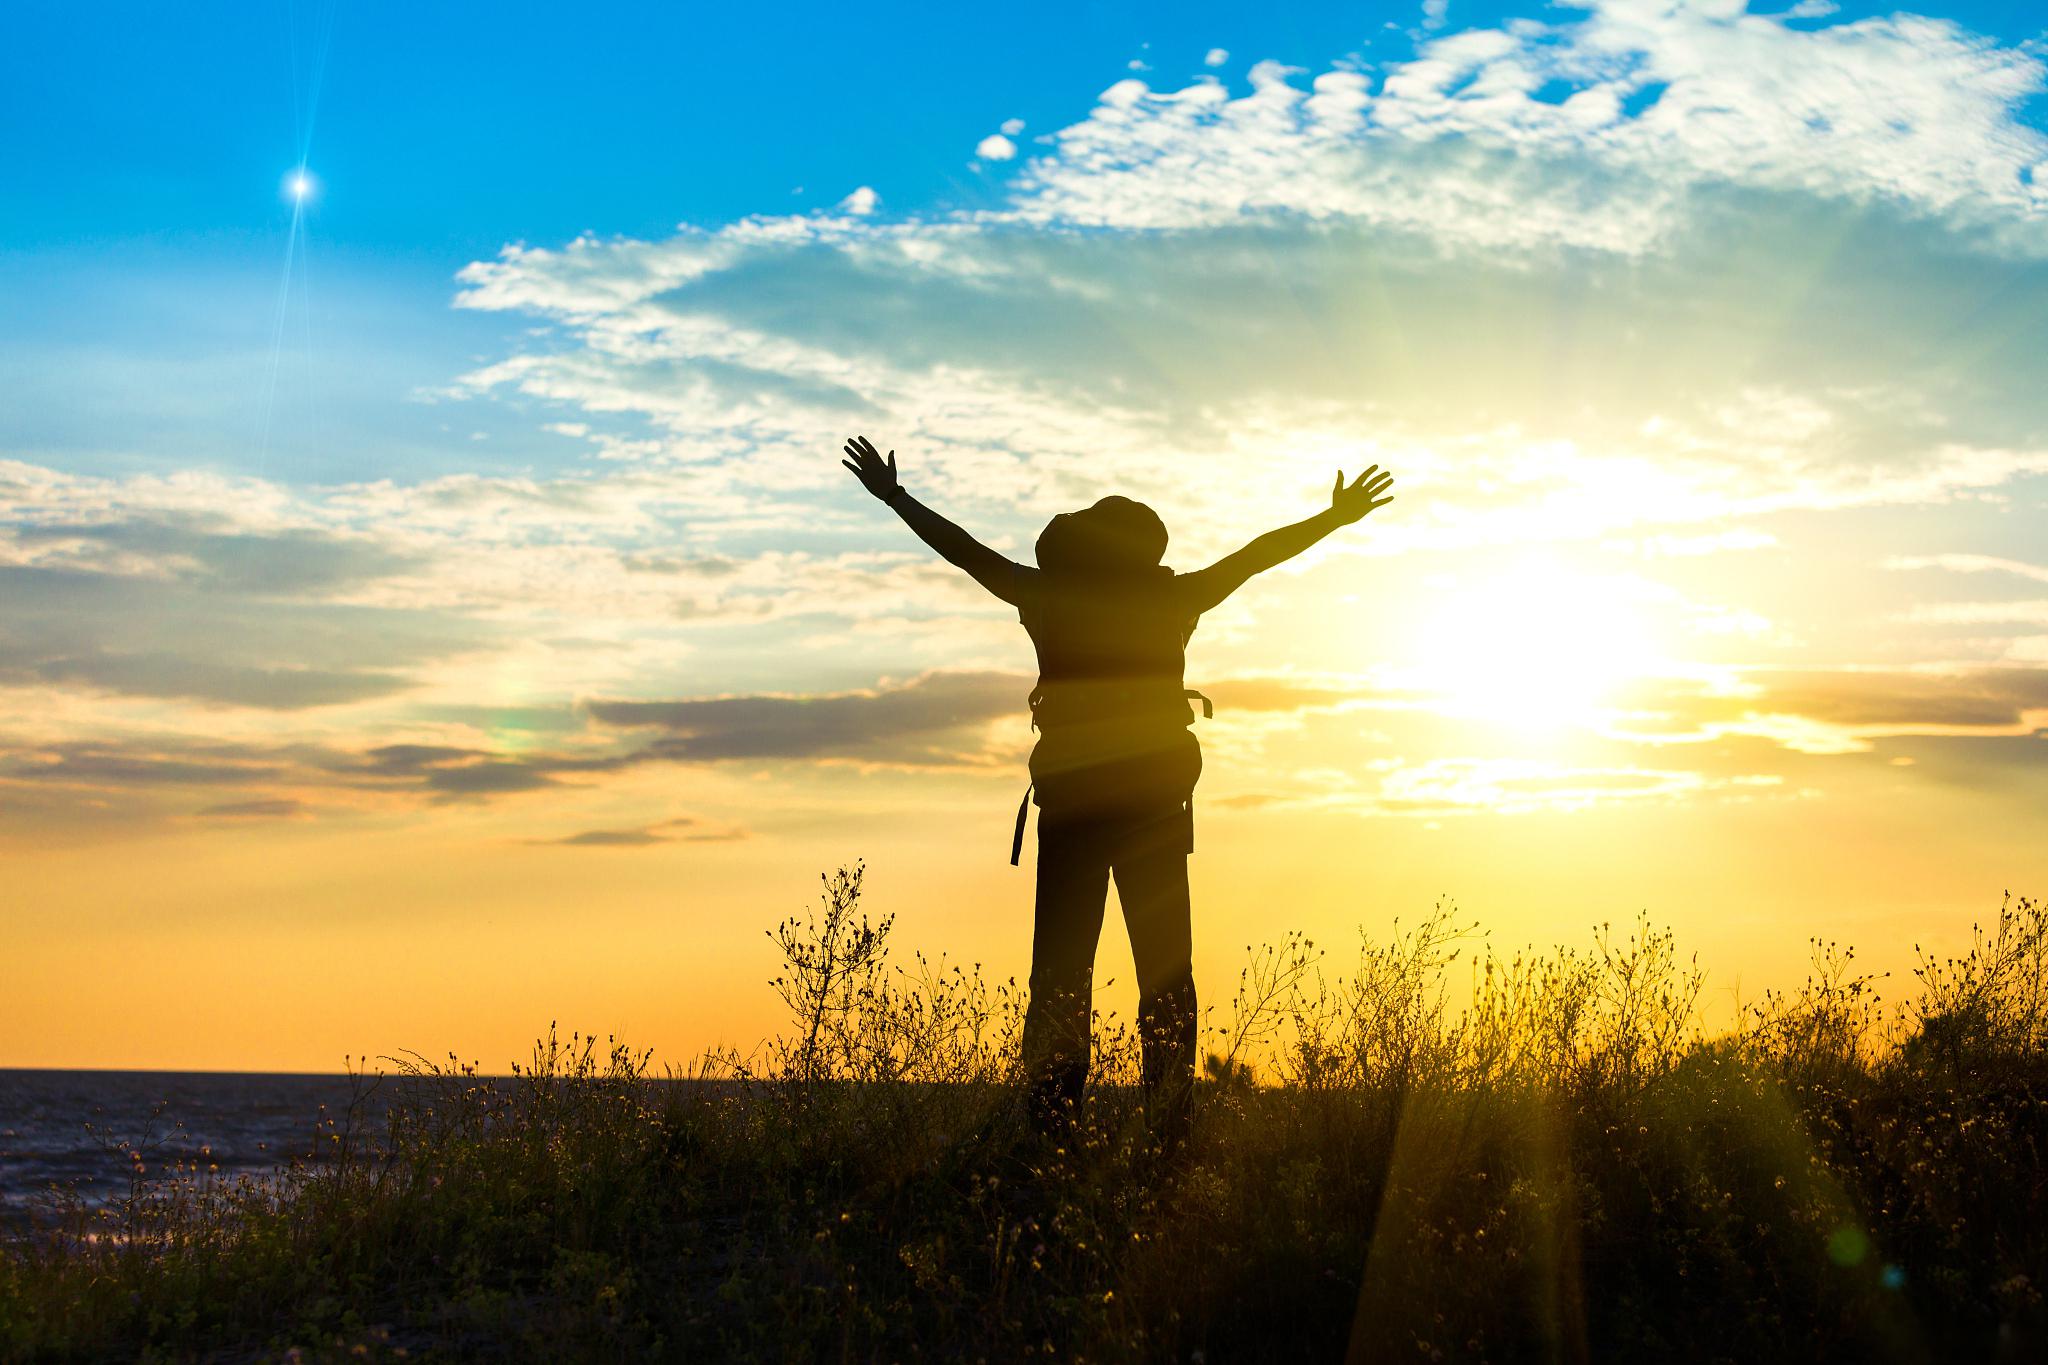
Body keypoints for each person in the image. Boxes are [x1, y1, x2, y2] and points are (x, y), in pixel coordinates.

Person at [839, 434, 1395, 1142]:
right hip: (1155, 806)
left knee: (1061, 979)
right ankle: (1168, 1130)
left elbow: (965, 551)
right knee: (1166, 978)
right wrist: (1332, 518)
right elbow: (1255, 557)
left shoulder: (1046, 596)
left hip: (1073, 807)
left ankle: (1051, 1131)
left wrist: (896, 498)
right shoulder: (1173, 599)